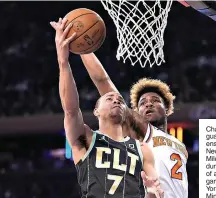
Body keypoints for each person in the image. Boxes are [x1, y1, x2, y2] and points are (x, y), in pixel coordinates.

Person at [50, 17, 163, 198]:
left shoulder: (142, 149)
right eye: (109, 98)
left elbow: (156, 192)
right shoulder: (86, 139)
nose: (116, 99)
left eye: (119, 99)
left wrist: (152, 193)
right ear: (96, 111)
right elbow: (71, 110)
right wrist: (63, 61)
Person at [79, 53, 188, 198]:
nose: (148, 103)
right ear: (136, 113)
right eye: (142, 103)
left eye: (155, 100)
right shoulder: (144, 131)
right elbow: (103, 81)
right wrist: (84, 49)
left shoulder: (181, 147)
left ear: (167, 108)